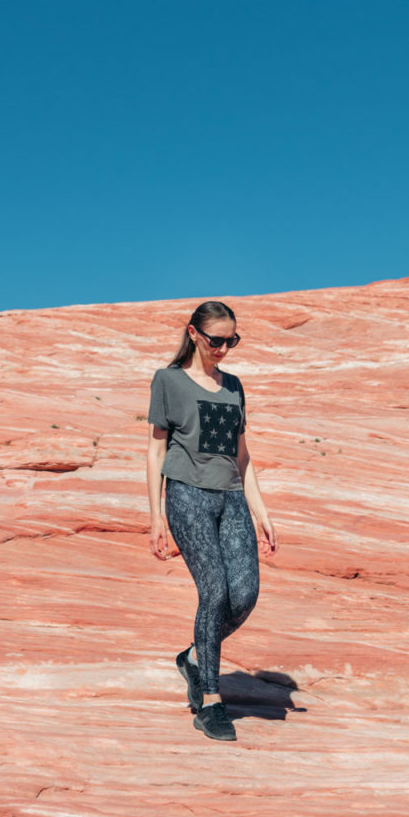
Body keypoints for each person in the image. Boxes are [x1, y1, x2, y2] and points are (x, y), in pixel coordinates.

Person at [146, 300, 278, 741]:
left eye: (232, 340)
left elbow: (242, 455)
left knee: (244, 595)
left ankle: (195, 658)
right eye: (217, 340)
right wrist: (156, 516)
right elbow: (155, 450)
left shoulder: (235, 386)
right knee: (215, 591)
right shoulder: (169, 381)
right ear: (195, 334)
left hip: (231, 498)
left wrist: (261, 512)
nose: (224, 348)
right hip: (187, 496)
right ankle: (211, 702)